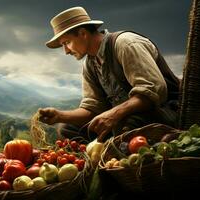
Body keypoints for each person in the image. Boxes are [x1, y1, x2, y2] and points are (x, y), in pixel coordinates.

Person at [39, 7, 180, 142]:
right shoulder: (90, 64)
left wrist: (115, 113)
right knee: (67, 129)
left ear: (83, 33)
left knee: (127, 123)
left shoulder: (125, 44)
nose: (66, 51)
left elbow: (153, 91)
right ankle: (104, 152)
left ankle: (116, 153)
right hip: (124, 120)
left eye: (67, 42)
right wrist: (59, 116)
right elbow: (92, 108)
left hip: (164, 112)